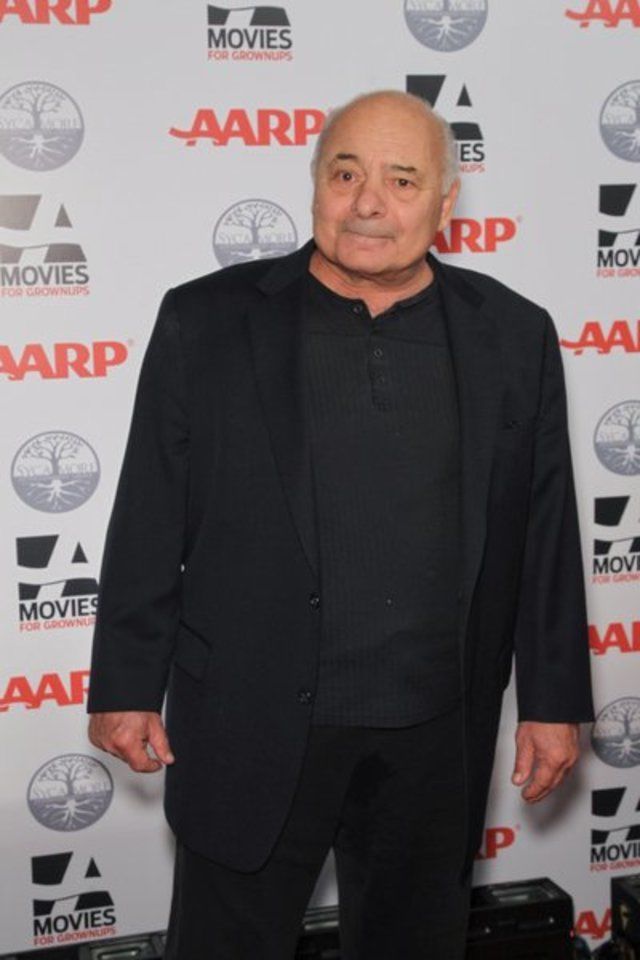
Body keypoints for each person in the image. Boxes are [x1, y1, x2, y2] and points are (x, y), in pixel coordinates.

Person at [87, 90, 594, 959]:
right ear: (316, 183)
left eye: (402, 180)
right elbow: (150, 511)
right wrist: (125, 682)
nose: (368, 203)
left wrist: (552, 702)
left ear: (445, 203)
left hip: (435, 735)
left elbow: (545, 531)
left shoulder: (513, 333)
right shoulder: (207, 319)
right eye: (346, 174)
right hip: (248, 716)